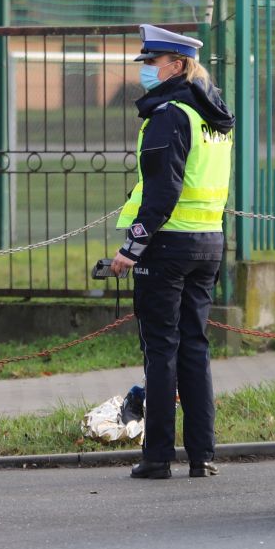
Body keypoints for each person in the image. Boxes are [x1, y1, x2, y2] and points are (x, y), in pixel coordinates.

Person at [109, 25, 235, 479]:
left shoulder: (169, 113)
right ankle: (202, 456)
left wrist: (132, 247)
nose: (147, 71)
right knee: (195, 350)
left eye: (152, 63)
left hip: (167, 247)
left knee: (161, 351)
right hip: (208, 243)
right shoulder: (213, 115)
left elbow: (162, 191)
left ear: (177, 66)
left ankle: (157, 457)